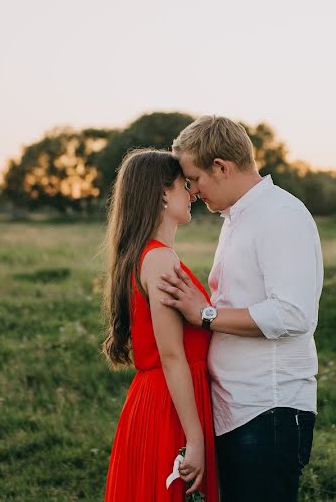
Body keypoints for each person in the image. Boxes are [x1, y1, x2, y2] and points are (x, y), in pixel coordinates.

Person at [157, 116, 323, 502]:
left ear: (221, 167)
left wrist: (206, 315)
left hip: (268, 412)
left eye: (194, 178)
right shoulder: (238, 218)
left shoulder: (280, 216)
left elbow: (293, 314)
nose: (192, 191)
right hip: (238, 409)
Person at [102, 149, 219, 501]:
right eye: (185, 185)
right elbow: (171, 355)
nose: (192, 193)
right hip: (171, 407)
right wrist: (194, 440)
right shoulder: (160, 260)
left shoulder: (144, 255)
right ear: (164, 194)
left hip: (158, 399)